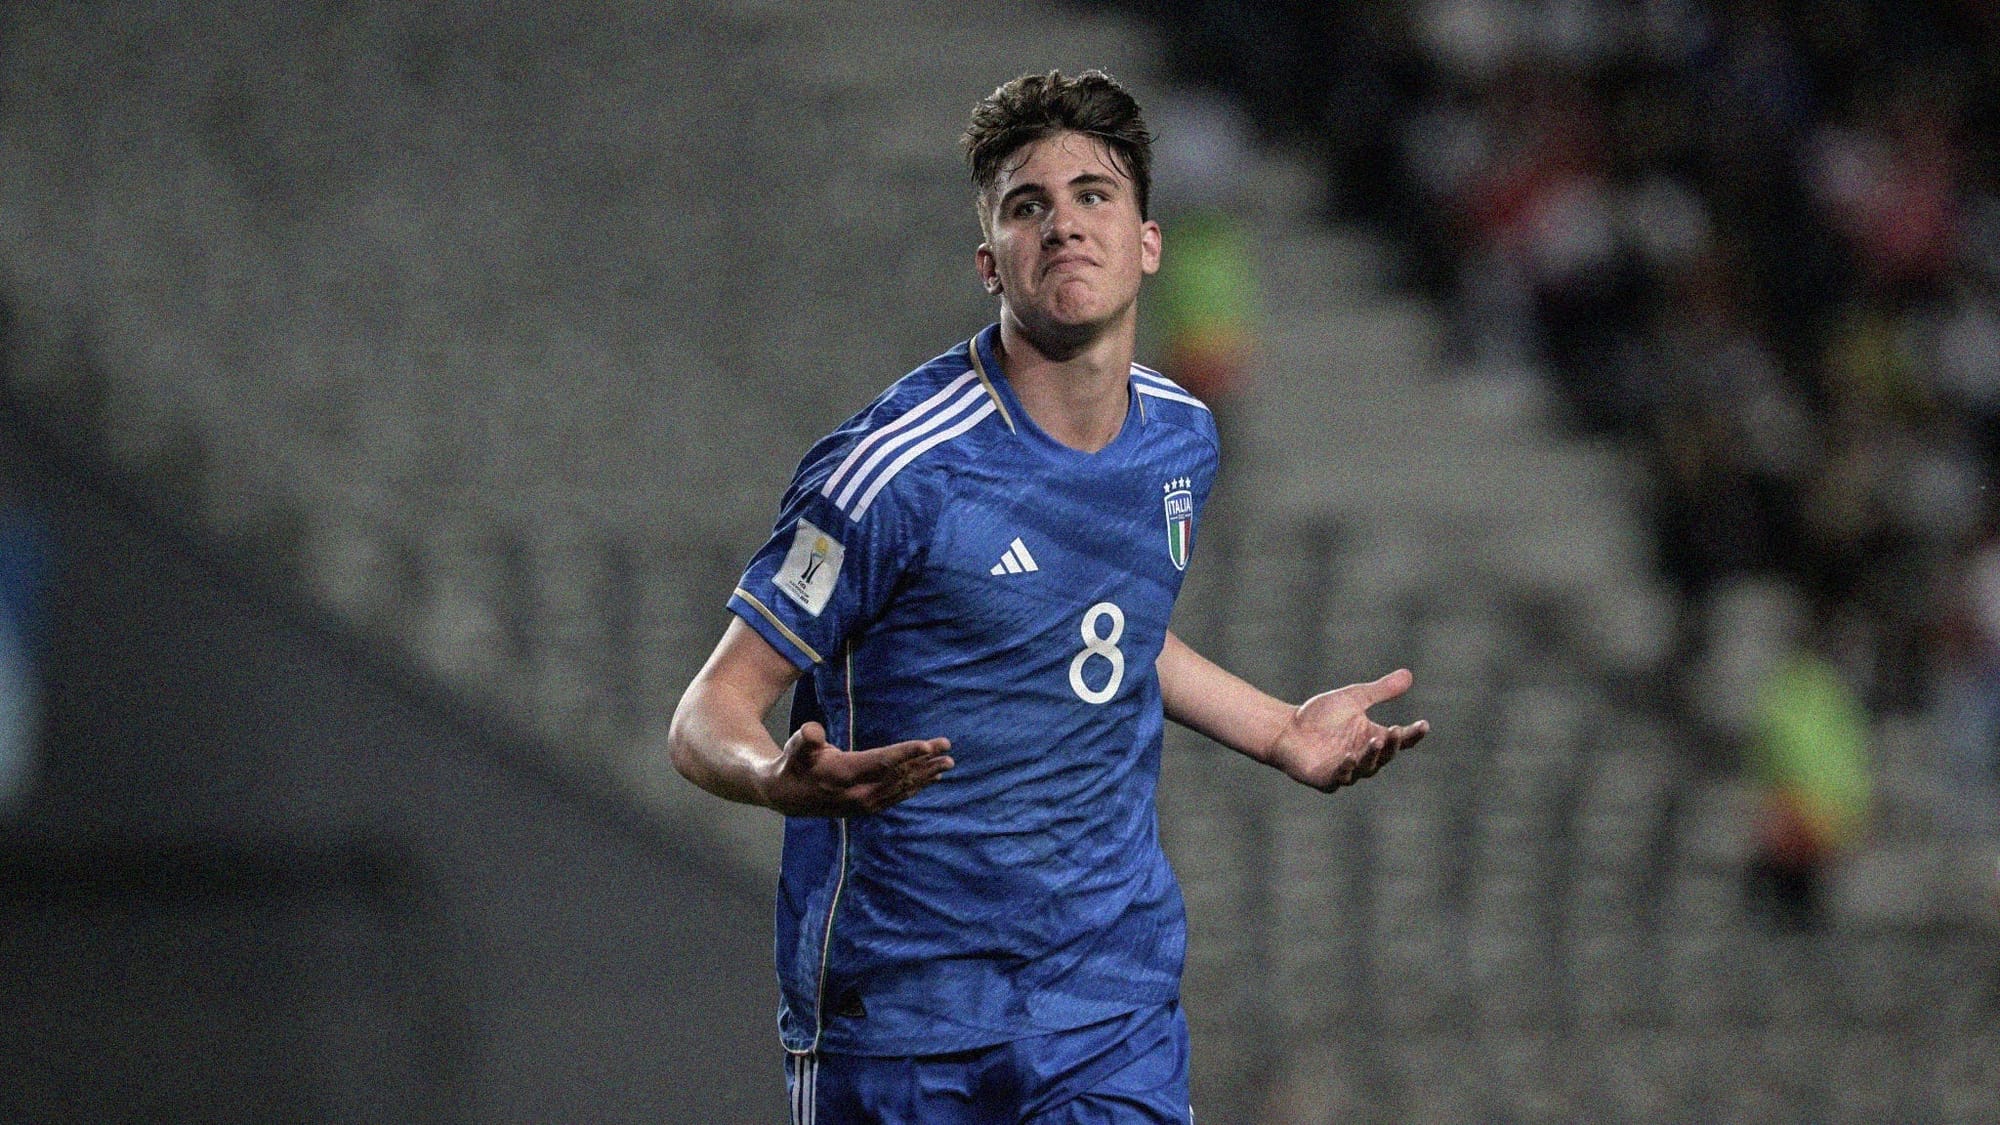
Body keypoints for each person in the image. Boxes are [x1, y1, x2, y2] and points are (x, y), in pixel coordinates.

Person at [668, 69, 1428, 1125]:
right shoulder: (895, 474)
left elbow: (1100, 621)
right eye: (1028, 206)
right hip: (900, 1017)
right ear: (991, 262)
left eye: (1092, 195)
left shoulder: (1179, 439)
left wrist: (1277, 729)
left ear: (1147, 242)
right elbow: (706, 712)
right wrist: (772, 779)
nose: (1063, 224)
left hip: (1105, 1004)